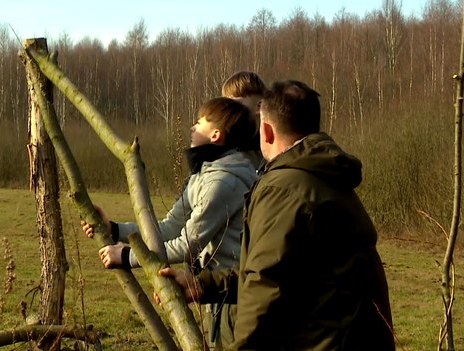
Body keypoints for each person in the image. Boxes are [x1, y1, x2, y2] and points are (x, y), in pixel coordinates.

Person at [159, 80, 396, 350]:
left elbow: (265, 286)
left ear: (268, 131)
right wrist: (204, 285)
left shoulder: (283, 189)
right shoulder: (327, 178)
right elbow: (283, 270)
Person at [83, 96, 258, 348]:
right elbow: (167, 228)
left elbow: (187, 245)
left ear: (216, 134)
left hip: (232, 304)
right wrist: (116, 229)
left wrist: (129, 257)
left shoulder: (223, 184)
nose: (192, 127)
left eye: (199, 123)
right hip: (215, 299)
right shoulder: (203, 176)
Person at [221, 71, 267, 170]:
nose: (230, 108)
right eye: (228, 103)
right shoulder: (223, 145)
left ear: (259, 106)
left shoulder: (269, 148)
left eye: (237, 102)